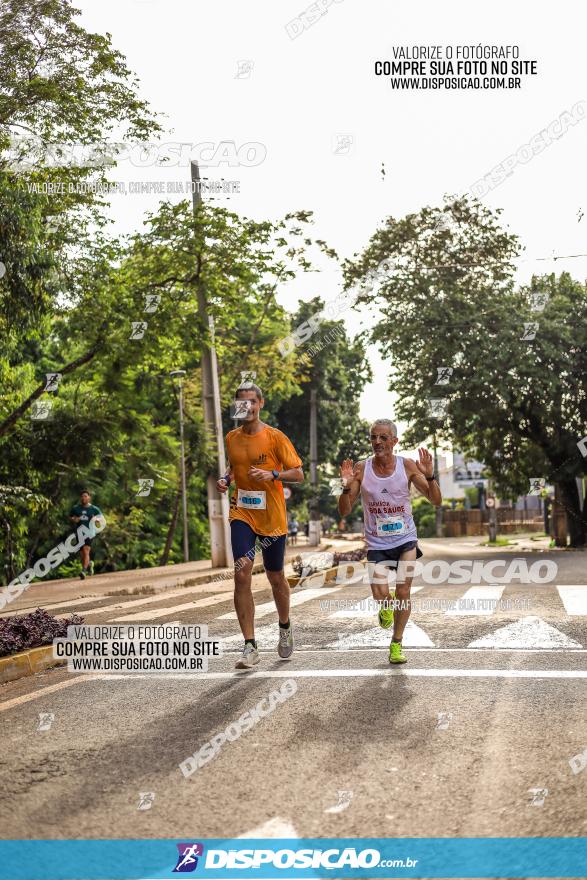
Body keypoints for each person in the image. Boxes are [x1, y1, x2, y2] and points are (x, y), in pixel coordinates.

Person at [338, 419, 442, 664]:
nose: (377, 442)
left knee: (403, 590)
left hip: (405, 539)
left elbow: (435, 500)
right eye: (374, 437)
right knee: (381, 594)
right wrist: (344, 487)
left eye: (383, 438)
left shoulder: (406, 466)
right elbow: (344, 510)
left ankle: (396, 643)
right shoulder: (362, 469)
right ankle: (386, 606)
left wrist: (430, 476)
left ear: (394, 441)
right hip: (377, 544)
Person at [217, 384, 304, 670]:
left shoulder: (275, 437)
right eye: (242, 403)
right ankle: (250, 646)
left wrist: (273, 474)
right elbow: (235, 466)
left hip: (272, 517)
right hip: (242, 511)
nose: (247, 408)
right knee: (241, 573)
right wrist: (226, 480)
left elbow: (299, 473)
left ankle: (285, 625)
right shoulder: (231, 438)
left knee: (275, 576)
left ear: (261, 403)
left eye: (252, 402)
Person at [69, 489, 103, 579]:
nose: (83, 498)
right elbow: (71, 516)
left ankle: (83, 571)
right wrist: (74, 519)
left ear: (89, 498)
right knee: (82, 554)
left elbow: (101, 519)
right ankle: (89, 565)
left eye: (85, 496)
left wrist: (96, 519)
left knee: (86, 550)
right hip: (79, 532)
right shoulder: (76, 508)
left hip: (90, 532)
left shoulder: (94, 509)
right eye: (82, 496)